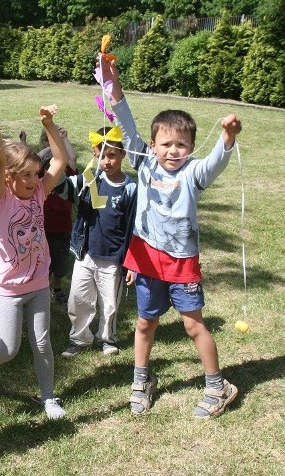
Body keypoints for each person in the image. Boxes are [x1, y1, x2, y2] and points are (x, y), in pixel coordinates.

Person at [102, 56, 243, 418]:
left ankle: (218, 386)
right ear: (152, 145)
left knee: (193, 324)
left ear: (191, 148)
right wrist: (113, 85)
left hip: (182, 262)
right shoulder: (145, 162)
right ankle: (141, 379)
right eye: (165, 144)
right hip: (147, 258)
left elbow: (216, 162)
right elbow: (126, 122)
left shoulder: (195, 173)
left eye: (181, 145)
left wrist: (227, 136)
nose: (172, 151)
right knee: (146, 322)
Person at [0, 95, 68, 420]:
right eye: (26, 175)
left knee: (42, 344)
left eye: (37, 174)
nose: (35, 181)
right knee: (8, 349)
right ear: (8, 177)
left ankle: (48, 397)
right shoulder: (0, 198)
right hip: (9, 288)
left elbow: (60, 161)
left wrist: (48, 125)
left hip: (38, 284)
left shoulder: (39, 191)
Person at [54, 124, 137, 358]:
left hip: (112, 258)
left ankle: (107, 338)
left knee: (109, 304)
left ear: (123, 154)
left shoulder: (130, 189)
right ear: (94, 153)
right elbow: (63, 188)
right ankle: (80, 339)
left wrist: (130, 262)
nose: (107, 161)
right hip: (86, 253)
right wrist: (58, 152)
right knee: (78, 299)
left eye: (112, 155)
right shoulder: (91, 179)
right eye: (102, 155)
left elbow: (133, 228)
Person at [33, 125, 78, 305]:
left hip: (62, 227)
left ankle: (57, 289)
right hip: (41, 227)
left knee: (59, 264)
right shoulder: (38, 171)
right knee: (43, 263)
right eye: (47, 140)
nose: (52, 145)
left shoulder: (65, 171)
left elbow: (72, 158)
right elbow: (34, 158)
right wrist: (52, 144)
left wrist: (63, 140)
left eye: (54, 142)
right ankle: (43, 289)